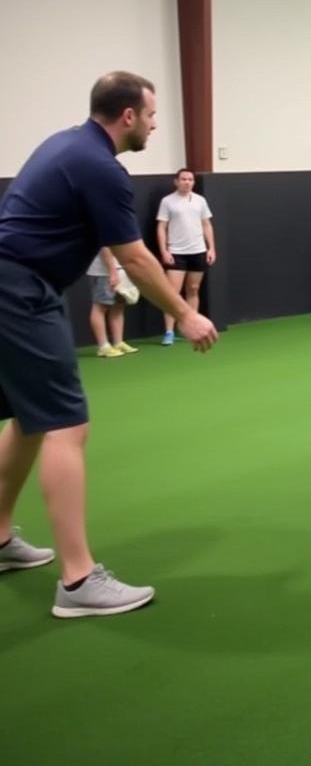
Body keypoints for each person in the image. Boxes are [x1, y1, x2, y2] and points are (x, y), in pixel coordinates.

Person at [0, 72, 218, 618]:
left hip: (14, 283)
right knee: (65, 424)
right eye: (150, 115)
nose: (154, 123)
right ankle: (77, 583)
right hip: (19, 290)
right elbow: (140, 256)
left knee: (29, 418)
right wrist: (185, 313)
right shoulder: (100, 167)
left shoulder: (66, 145)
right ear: (127, 116)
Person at [156, 168, 215, 346]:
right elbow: (161, 228)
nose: (187, 182)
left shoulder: (200, 201)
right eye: (183, 179)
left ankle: (190, 329)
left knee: (193, 289)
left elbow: (206, 224)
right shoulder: (167, 202)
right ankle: (168, 331)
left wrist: (211, 248)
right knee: (171, 294)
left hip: (198, 251)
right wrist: (165, 251)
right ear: (176, 182)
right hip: (176, 253)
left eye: (190, 179)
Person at [86, 247, 137, 358]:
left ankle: (118, 343)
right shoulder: (104, 229)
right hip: (104, 272)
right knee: (100, 307)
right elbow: (105, 247)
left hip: (120, 269)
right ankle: (103, 347)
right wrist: (112, 271)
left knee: (119, 306)